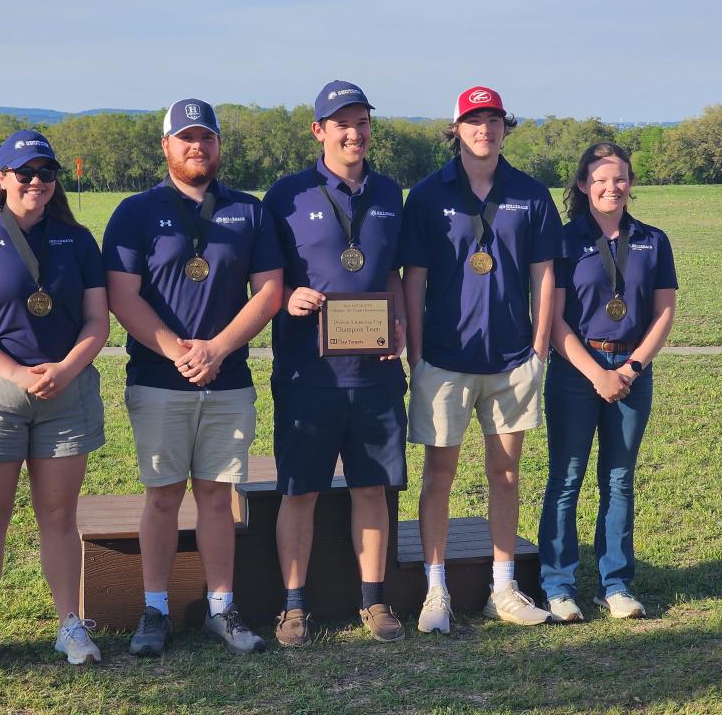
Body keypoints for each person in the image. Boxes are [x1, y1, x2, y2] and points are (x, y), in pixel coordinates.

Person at [103, 98, 283, 656]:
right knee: (161, 496)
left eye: (206, 137)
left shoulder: (248, 212)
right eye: (185, 137)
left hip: (227, 381)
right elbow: (120, 295)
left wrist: (219, 348)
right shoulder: (135, 211)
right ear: (166, 146)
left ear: (219, 145)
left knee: (216, 495)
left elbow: (270, 290)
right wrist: (177, 351)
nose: (196, 146)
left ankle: (221, 608)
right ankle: (154, 610)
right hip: (160, 379)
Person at [0, 130, 109, 674]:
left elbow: (97, 321)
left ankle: (69, 626)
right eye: (25, 173)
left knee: (60, 516)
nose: (36, 182)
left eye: (46, 173)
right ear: (2, 177)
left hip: (64, 389)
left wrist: (65, 369)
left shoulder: (76, 241)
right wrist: (14, 372)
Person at [401, 86, 561, 631]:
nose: (484, 130)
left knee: (506, 474)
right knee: (438, 474)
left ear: (503, 128)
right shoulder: (426, 195)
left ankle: (503, 586)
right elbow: (413, 279)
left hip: (513, 359)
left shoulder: (531, 193)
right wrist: (417, 354)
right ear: (457, 130)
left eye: (493, 120)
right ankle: (435, 589)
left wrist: (539, 348)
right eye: (473, 121)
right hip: (444, 359)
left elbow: (544, 275)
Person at [263, 80, 408, 647]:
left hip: (375, 372)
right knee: (299, 490)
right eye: (342, 123)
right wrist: (287, 297)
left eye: (363, 122)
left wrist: (397, 325)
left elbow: (394, 275)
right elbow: (264, 280)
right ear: (318, 130)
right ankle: (293, 607)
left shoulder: (392, 193)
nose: (355, 133)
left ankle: (374, 601)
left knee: (372, 488)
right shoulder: (287, 195)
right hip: (308, 373)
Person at [538, 142, 677, 622]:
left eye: (619, 178)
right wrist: (596, 372)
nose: (610, 187)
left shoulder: (653, 240)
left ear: (630, 183)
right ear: (582, 185)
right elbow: (553, 320)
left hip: (632, 371)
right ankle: (558, 586)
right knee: (565, 479)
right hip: (577, 371)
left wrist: (631, 368)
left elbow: (664, 312)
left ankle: (615, 585)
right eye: (599, 179)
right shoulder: (562, 239)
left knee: (619, 480)